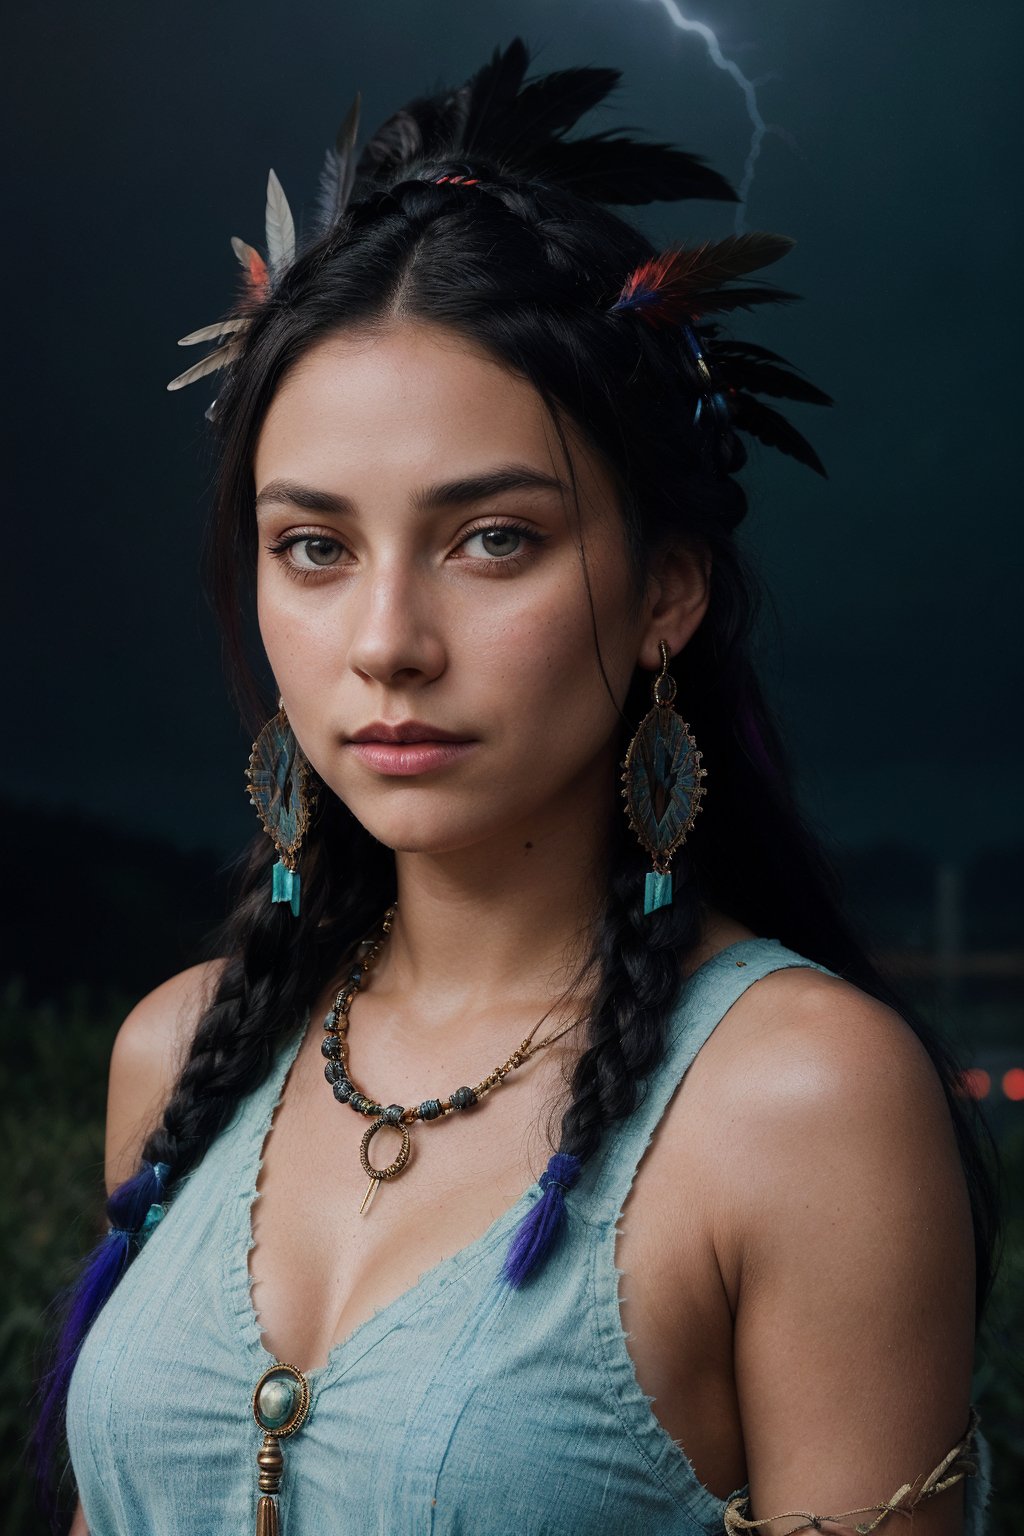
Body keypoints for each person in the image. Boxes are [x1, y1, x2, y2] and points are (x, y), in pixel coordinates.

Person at [33, 36, 997, 1536]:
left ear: (667, 587)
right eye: (315, 546)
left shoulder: (801, 1104)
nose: (387, 644)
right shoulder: (177, 1052)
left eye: (494, 539)